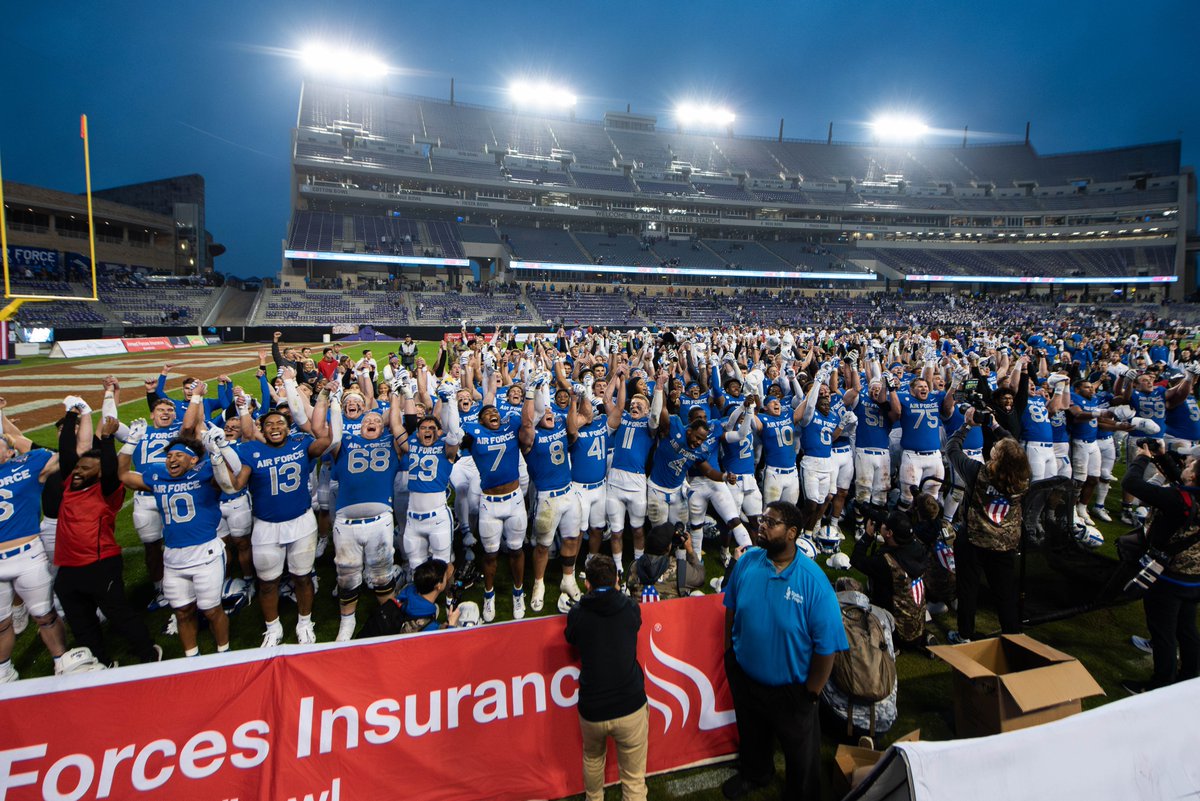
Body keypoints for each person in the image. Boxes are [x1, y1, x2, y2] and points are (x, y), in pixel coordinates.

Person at [721, 500, 848, 800]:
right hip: (746, 677)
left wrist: (812, 691)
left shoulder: (814, 582)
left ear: (792, 532)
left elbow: (827, 647)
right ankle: (756, 774)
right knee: (752, 735)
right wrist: (730, 656)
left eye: (771, 522)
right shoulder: (747, 562)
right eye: (762, 520)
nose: (762, 526)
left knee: (800, 753)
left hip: (792, 690)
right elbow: (731, 608)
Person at [54, 406, 160, 666]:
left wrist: (107, 439)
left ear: (100, 473)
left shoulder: (107, 491)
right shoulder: (69, 485)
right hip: (67, 567)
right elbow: (66, 454)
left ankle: (148, 652)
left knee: (119, 613)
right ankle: (99, 661)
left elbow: (112, 469)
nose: (78, 471)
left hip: (99, 564)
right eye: (78, 467)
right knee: (81, 622)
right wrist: (70, 414)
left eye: (86, 468)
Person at [564, 555, 648, 801]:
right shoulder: (629, 607)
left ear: (587, 584)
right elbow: (634, 623)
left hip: (593, 708)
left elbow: (571, 637)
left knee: (592, 758)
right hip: (630, 705)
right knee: (634, 781)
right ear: (617, 581)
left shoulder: (578, 613)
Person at [943, 408, 1031, 642]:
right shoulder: (1024, 478)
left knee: (968, 589)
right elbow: (1014, 447)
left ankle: (964, 635)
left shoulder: (978, 472)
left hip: (974, 539)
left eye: (997, 448)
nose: (994, 446)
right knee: (1005, 593)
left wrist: (966, 425)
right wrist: (994, 425)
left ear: (998, 458)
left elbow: (951, 449)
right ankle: (1013, 637)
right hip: (1005, 542)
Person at [1120, 441, 1200, 693]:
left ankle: (1160, 685)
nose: (1185, 465)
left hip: (1169, 578)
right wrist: (1162, 457)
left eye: (1190, 465)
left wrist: (1141, 458)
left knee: (1163, 632)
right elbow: (1181, 481)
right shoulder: (1187, 496)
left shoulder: (1177, 500)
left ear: (1193, 476)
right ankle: (1189, 677)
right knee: (1187, 629)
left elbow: (1132, 484)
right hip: (1194, 578)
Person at [626, 522, 705, 601]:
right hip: (670, 609)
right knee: (697, 594)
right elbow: (700, 579)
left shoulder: (634, 566)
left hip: (641, 608)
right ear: (668, 548)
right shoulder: (679, 568)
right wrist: (690, 551)